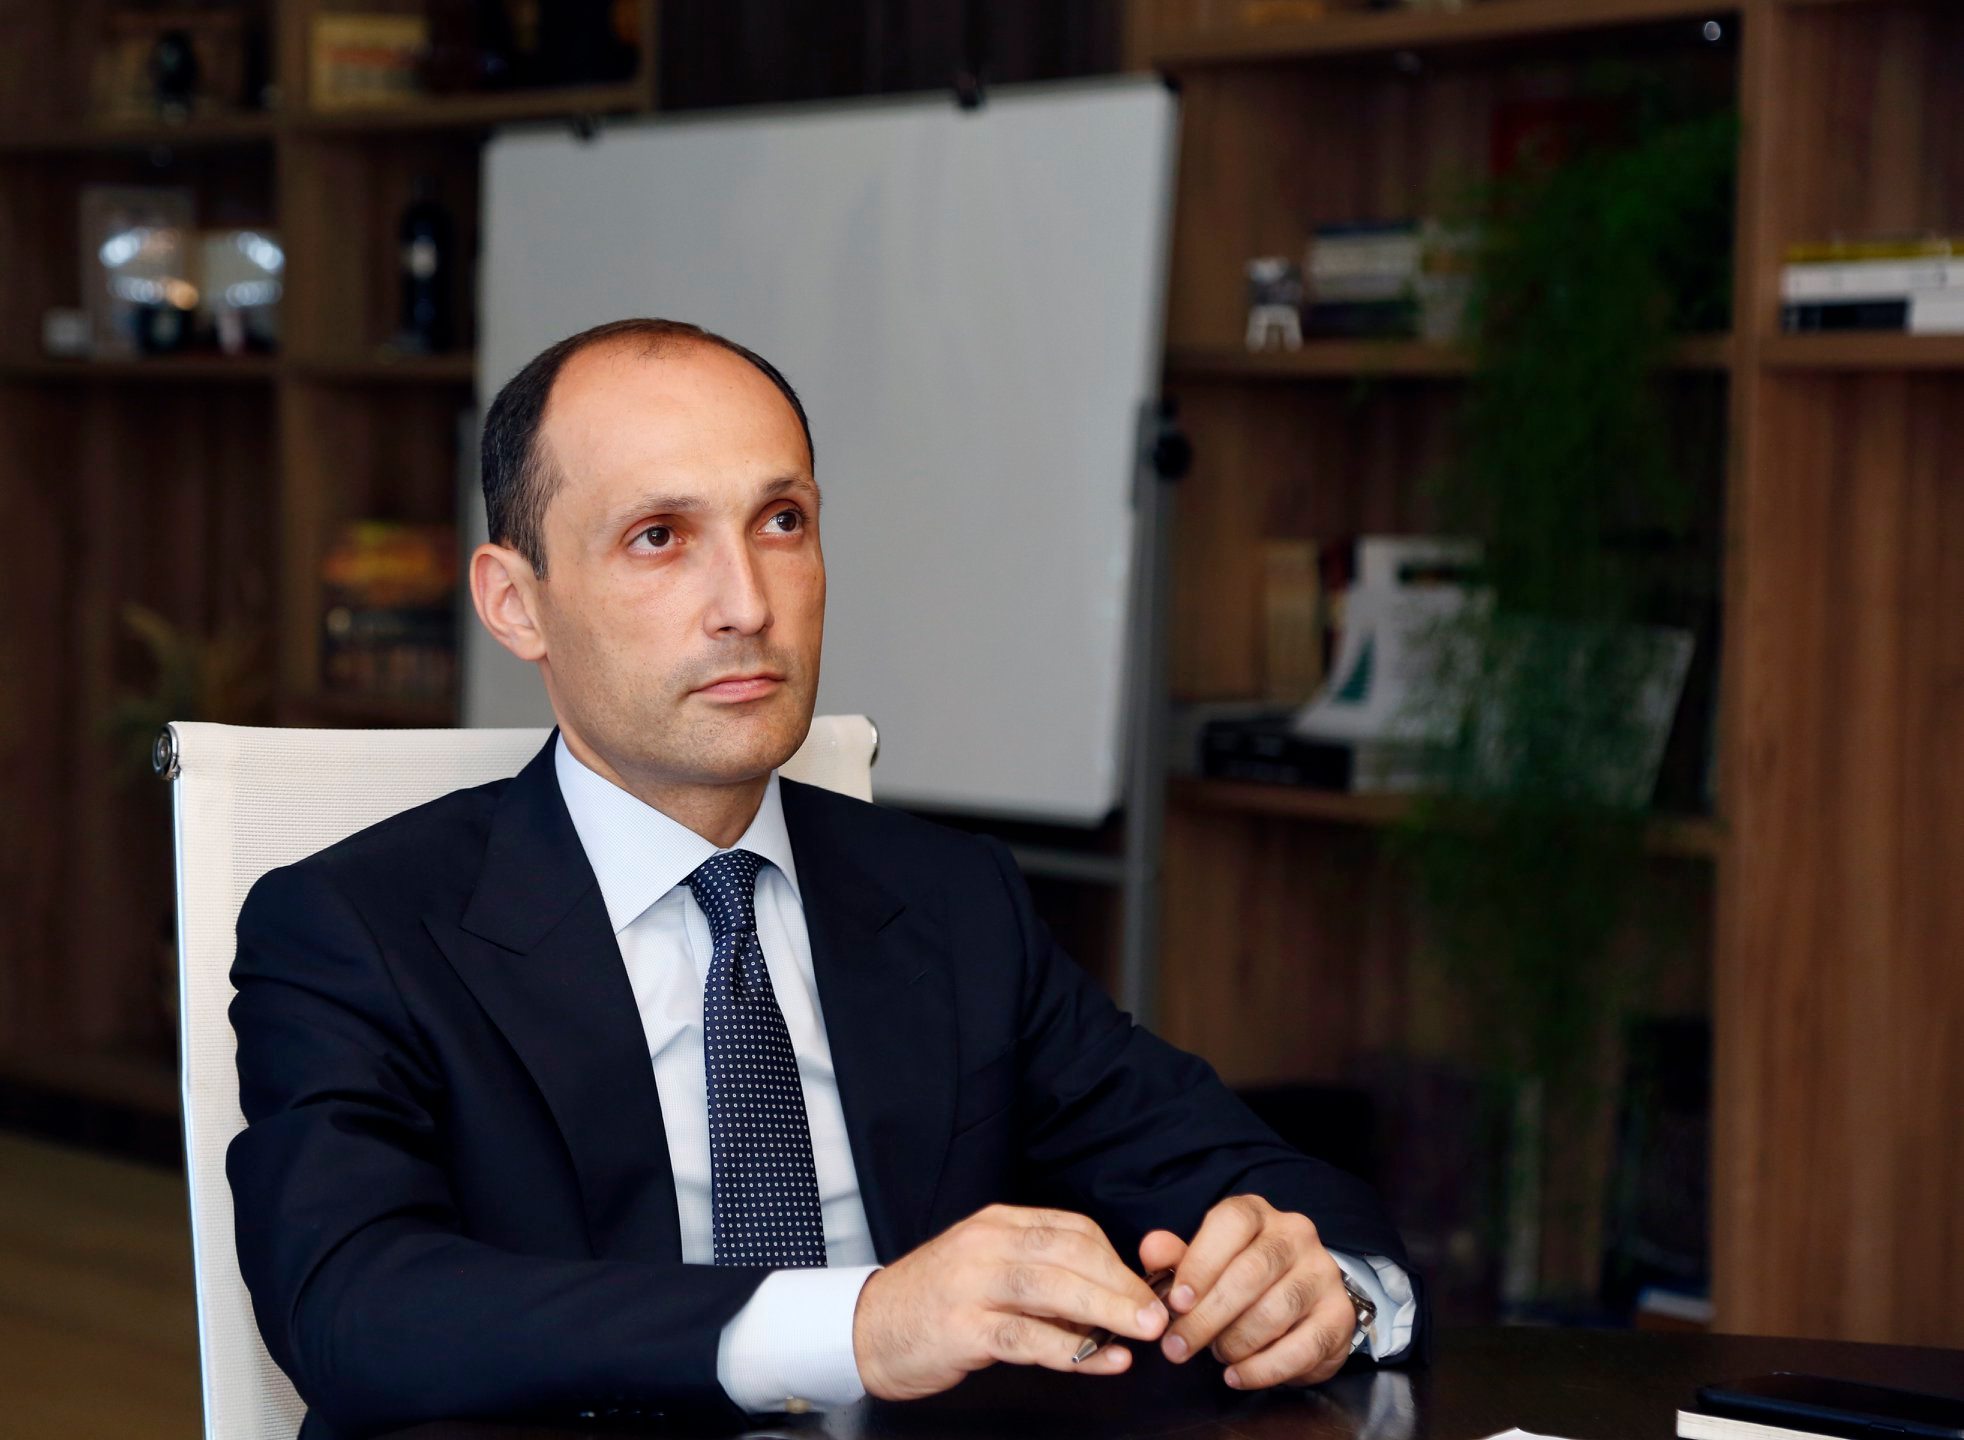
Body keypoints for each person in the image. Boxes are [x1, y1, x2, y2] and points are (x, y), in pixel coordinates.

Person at [227, 318, 1423, 1440]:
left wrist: (1318, 1284)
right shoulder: (354, 927)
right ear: (514, 602)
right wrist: (854, 1325)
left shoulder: (952, 902)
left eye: (781, 521)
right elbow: (352, 1303)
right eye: (659, 538)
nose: (746, 605)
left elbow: (1250, 1176)